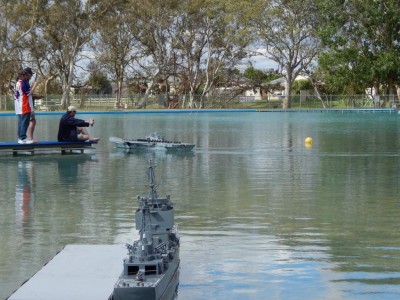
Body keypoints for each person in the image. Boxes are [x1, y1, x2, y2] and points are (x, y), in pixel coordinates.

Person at [14, 69, 34, 144]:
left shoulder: (18, 83)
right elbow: (28, 93)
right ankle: (22, 138)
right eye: (28, 75)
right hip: (24, 105)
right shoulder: (22, 83)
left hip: (19, 106)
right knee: (24, 123)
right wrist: (35, 85)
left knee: (20, 122)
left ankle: (20, 138)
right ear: (23, 75)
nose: (29, 77)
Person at [24, 67, 42, 142]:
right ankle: (29, 138)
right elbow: (28, 94)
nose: (31, 76)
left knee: (30, 121)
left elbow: (29, 94)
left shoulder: (26, 82)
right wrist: (35, 85)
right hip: (27, 106)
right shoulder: (24, 82)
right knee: (31, 121)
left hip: (28, 105)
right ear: (27, 74)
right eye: (30, 74)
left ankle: (27, 138)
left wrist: (37, 96)